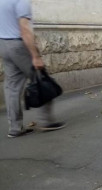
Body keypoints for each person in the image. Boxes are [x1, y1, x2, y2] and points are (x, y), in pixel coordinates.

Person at [0, 0, 65, 138]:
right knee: (41, 79)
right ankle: (45, 122)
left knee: (12, 87)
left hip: (3, 44)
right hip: (19, 45)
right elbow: (25, 30)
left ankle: (15, 128)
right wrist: (36, 56)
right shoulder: (21, 2)